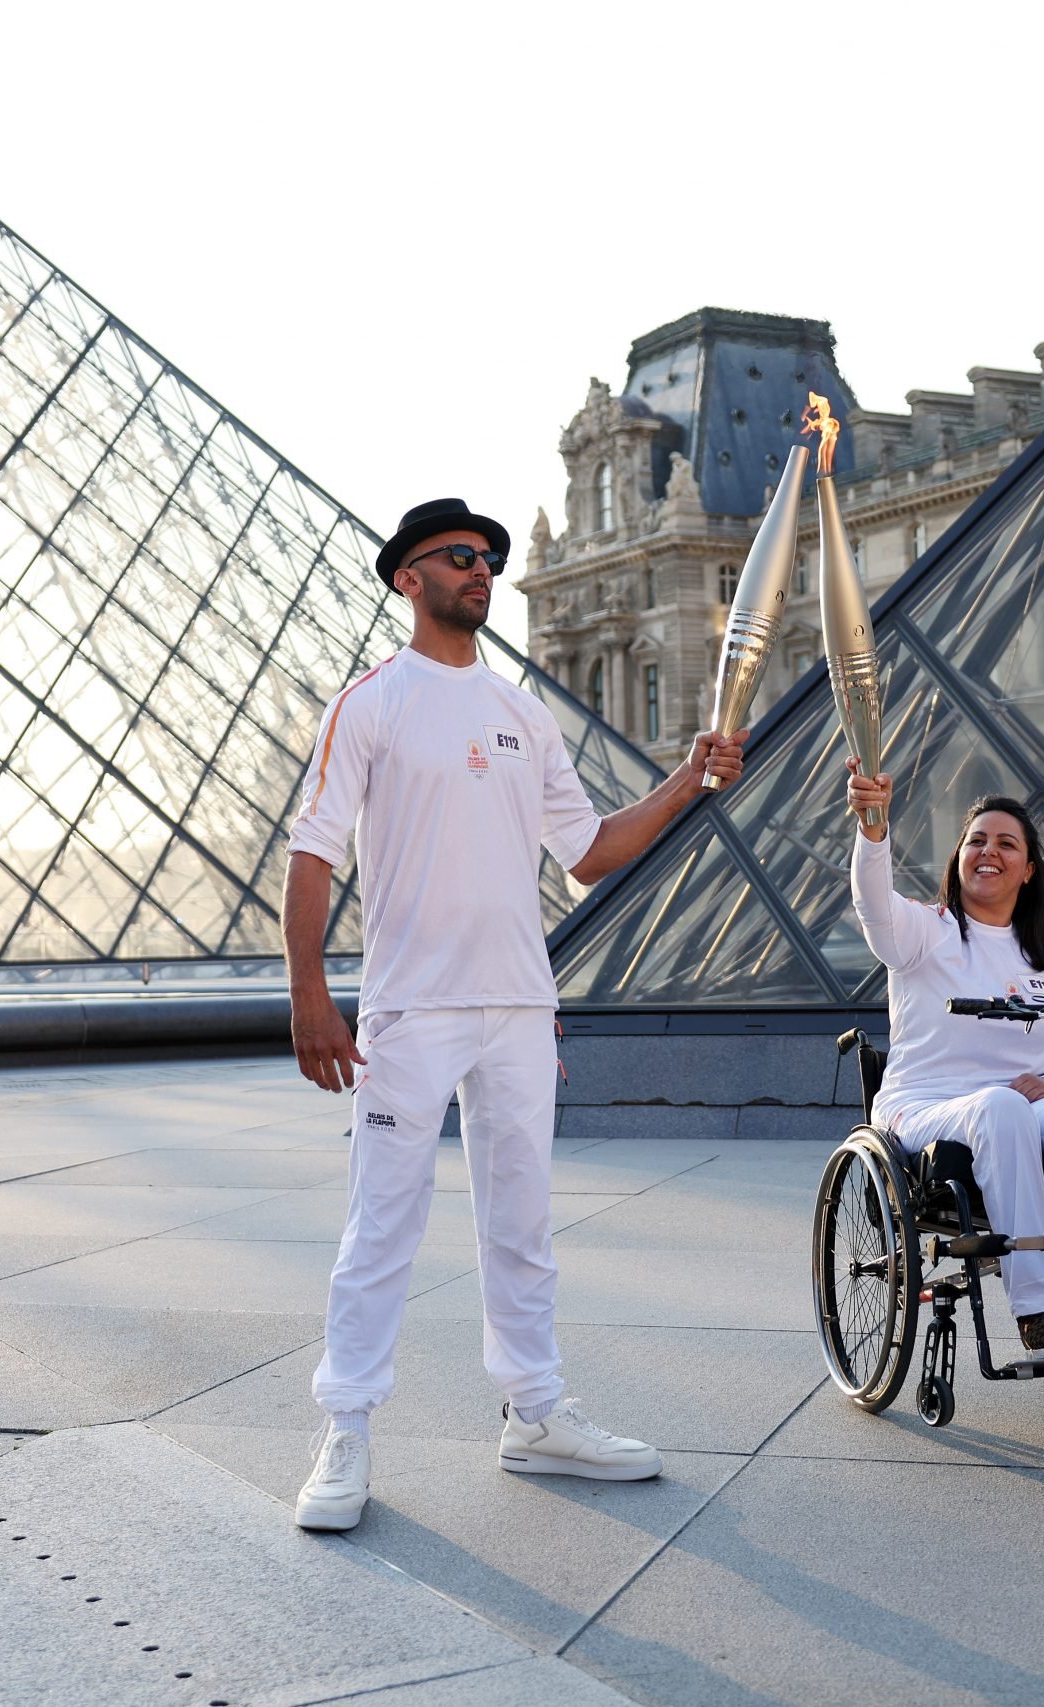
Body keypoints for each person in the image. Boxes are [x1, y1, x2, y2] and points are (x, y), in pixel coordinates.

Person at [282, 497, 746, 1531]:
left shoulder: (522, 712)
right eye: (459, 557)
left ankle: (535, 1414)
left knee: (523, 1223)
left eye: (489, 557)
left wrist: (686, 782)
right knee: (382, 1226)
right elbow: (313, 853)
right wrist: (311, 995)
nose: (481, 569)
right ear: (408, 577)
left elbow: (585, 852)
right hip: (409, 1009)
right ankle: (345, 1428)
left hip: (519, 1010)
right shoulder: (373, 702)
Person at [843, 762, 1044, 1359]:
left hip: (1022, 1104)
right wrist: (873, 826)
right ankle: (1039, 1312)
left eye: (1007, 843)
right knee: (1002, 1106)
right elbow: (873, 906)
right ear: (958, 857)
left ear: (1029, 869)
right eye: (976, 840)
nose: (990, 851)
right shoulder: (923, 932)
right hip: (925, 1106)